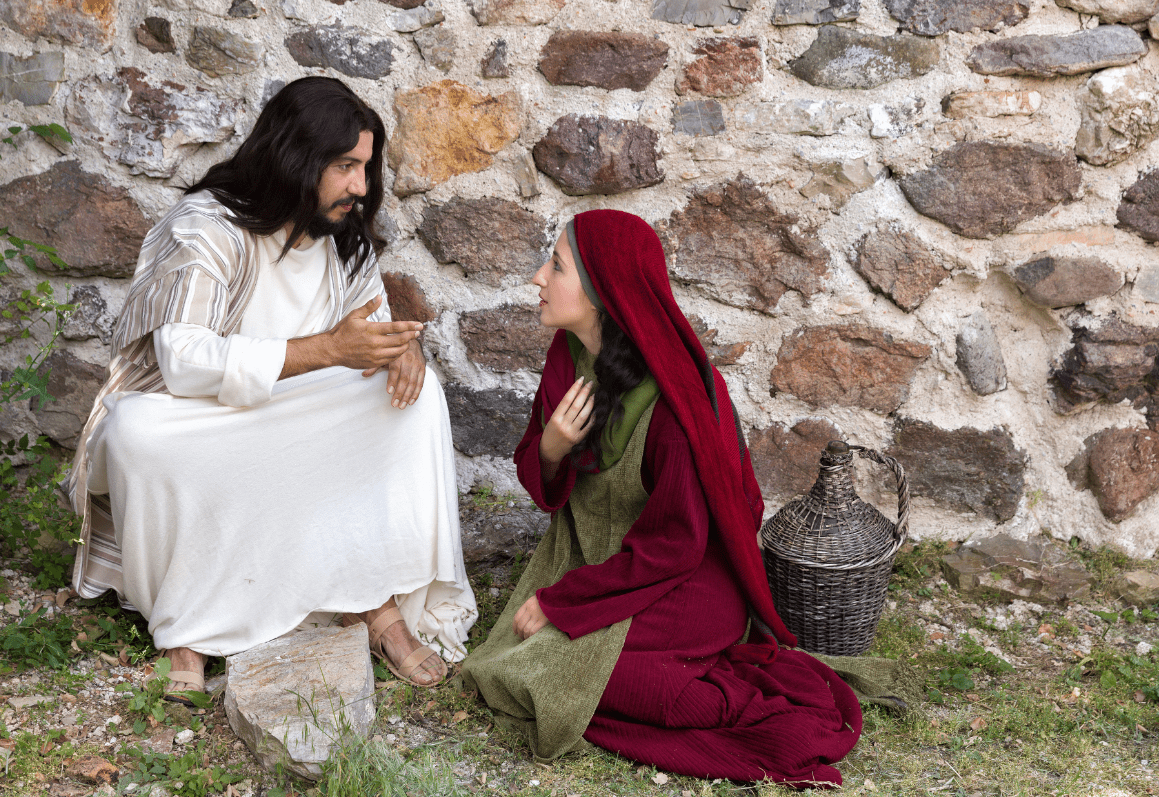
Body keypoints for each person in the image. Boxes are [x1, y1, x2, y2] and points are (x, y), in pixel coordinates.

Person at [63, 76, 477, 696]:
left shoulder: (344, 234)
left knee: (416, 405)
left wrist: (403, 350)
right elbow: (183, 363)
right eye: (344, 166)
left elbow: (367, 330)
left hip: (298, 416)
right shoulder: (205, 227)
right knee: (135, 434)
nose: (360, 187)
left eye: (365, 167)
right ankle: (187, 630)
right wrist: (328, 350)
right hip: (200, 418)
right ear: (295, 156)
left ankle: (371, 602)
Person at [461, 210, 863, 787]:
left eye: (556, 266)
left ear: (603, 291)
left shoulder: (678, 400)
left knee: (568, 668)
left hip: (684, 580)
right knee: (520, 664)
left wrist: (563, 602)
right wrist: (550, 449)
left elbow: (677, 546)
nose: (537, 278)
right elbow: (543, 487)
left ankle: (720, 696)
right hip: (595, 559)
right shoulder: (567, 357)